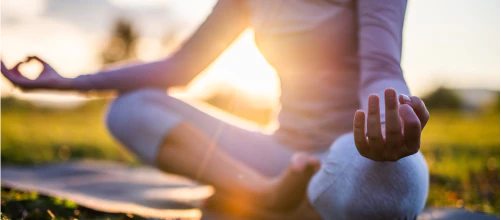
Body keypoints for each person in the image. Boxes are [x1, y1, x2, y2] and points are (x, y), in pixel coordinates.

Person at [0, 0, 430, 219]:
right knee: (129, 109)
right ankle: (263, 194)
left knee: (390, 191)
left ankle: (311, 198)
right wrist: (68, 82)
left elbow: (381, 69)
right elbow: (179, 68)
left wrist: (395, 113)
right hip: (281, 157)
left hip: (353, 151)